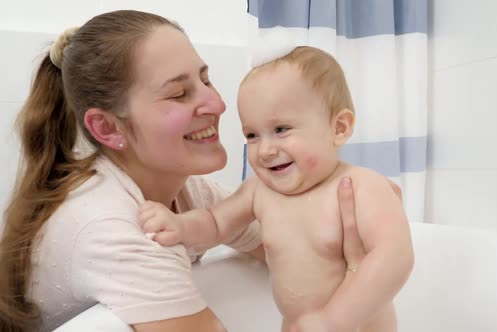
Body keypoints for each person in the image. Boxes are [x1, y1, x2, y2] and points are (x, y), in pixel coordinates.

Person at [0, 10, 380, 332]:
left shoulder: (189, 191)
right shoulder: (113, 230)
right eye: (179, 93)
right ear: (108, 129)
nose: (216, 103)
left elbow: (284, 248)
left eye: (205, 79)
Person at [139, 46, 414, 332]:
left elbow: (395, 256)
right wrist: (180, 225)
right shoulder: (259, 191)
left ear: (339, 128)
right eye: (252, 135)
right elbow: (215, 222)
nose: (266, 150)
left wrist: (334, 319)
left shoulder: (361, 186)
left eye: (281, 129)